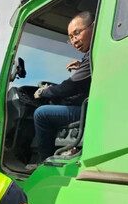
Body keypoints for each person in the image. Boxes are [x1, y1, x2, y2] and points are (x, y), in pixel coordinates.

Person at [32, 11, 94, 162]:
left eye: (77, 33)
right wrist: (81, 66)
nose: (74, 41)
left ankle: (44, 162)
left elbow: (69, 87)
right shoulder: (92, 56)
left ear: (93, 27)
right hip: (91, 106)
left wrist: (43, 92)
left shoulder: (93, 53)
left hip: (91, 110)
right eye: (71, 38)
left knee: (41, 114)